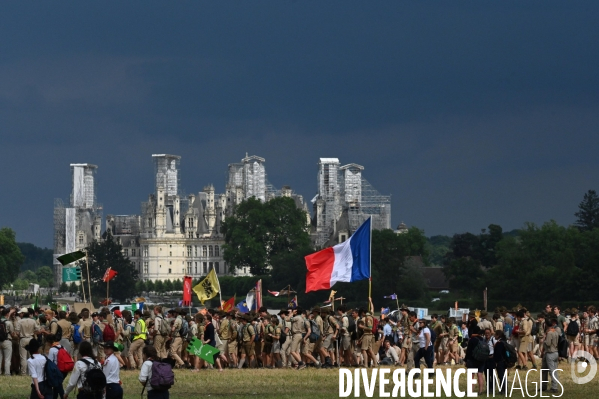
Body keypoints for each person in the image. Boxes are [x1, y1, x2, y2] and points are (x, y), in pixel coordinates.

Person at [17, 307, 40, 376]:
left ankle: (23, 373)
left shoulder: (20, 321)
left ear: (23, 314)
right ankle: (31, 372)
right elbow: (38, 330)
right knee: (31, 356)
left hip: (23, 339)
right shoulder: (33, 321)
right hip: (31, 338)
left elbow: (17, 332)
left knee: (23, 357)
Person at [465, 323, 485, 395]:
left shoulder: (472, 340)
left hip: (472, 360)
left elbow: (469, 351)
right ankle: (480, 391)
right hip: (481, 359)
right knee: (480, 375)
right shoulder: (483, 339)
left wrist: (466, 360)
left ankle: (471, 391)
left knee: (471, 376)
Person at [542, 319, 561, 394]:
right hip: (555, 352)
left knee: (552, 371)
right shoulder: (555, 331)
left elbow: (548, 343)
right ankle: (544, 386)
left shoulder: (549, 333)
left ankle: (554, 387)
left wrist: (544, 339)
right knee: (546, 370)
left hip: (550, 352)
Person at [493, 330, 509, 395]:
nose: (494, 336)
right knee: (503, 376)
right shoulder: (504, 342)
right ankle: (503, 389)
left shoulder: (499, 343)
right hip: (505, 361)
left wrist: (496, 361)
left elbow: (498, 353)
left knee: (501, 376)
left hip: (500, 362)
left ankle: (503, 390)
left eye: (495, 334)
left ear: (498, 335)